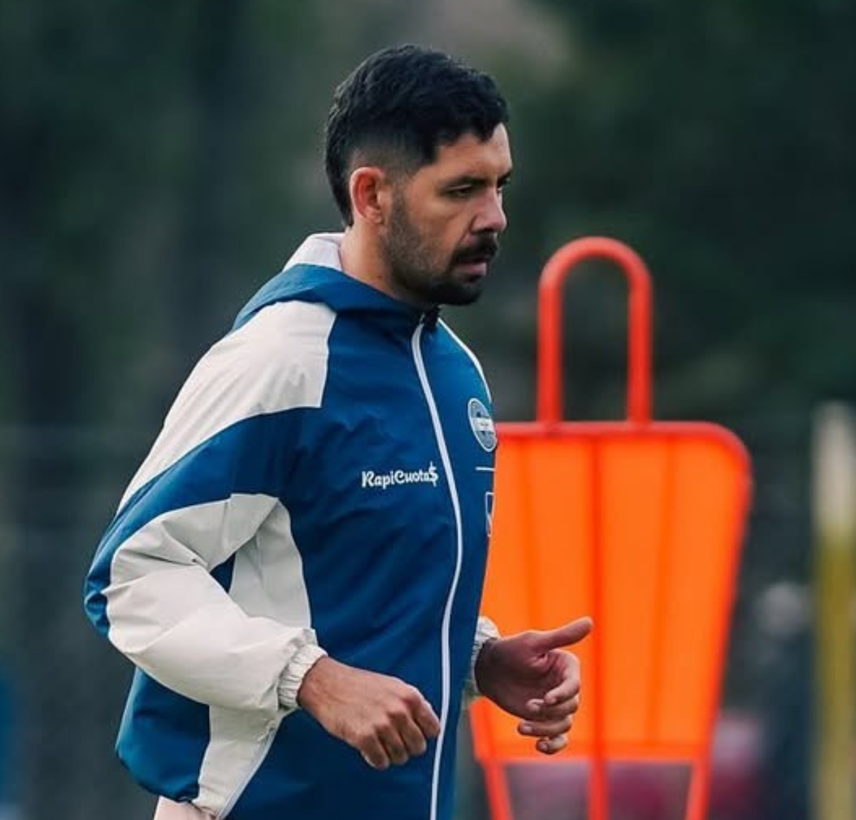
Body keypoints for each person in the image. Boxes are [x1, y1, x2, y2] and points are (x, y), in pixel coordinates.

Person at [84, 44, 590, 820]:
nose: (494, 218)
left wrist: (477, 657)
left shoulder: (455, 372)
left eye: (499, 186)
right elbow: (130, 577)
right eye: (461, 190)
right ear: (371, 195)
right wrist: (312, 679)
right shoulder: (281, 359)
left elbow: (356, 582)